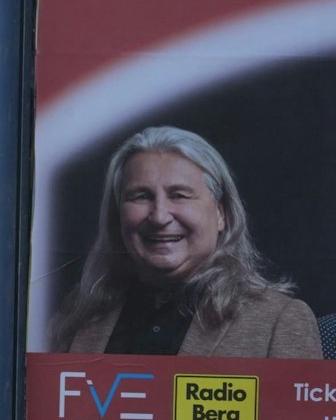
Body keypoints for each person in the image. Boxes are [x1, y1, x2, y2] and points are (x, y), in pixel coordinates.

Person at [51, 125, 320, 358]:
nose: (158, 216)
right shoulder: (72, 322)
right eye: (140, 196)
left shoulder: (279, 321)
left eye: (179, 195)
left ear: (221, 213)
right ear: (117, 216)